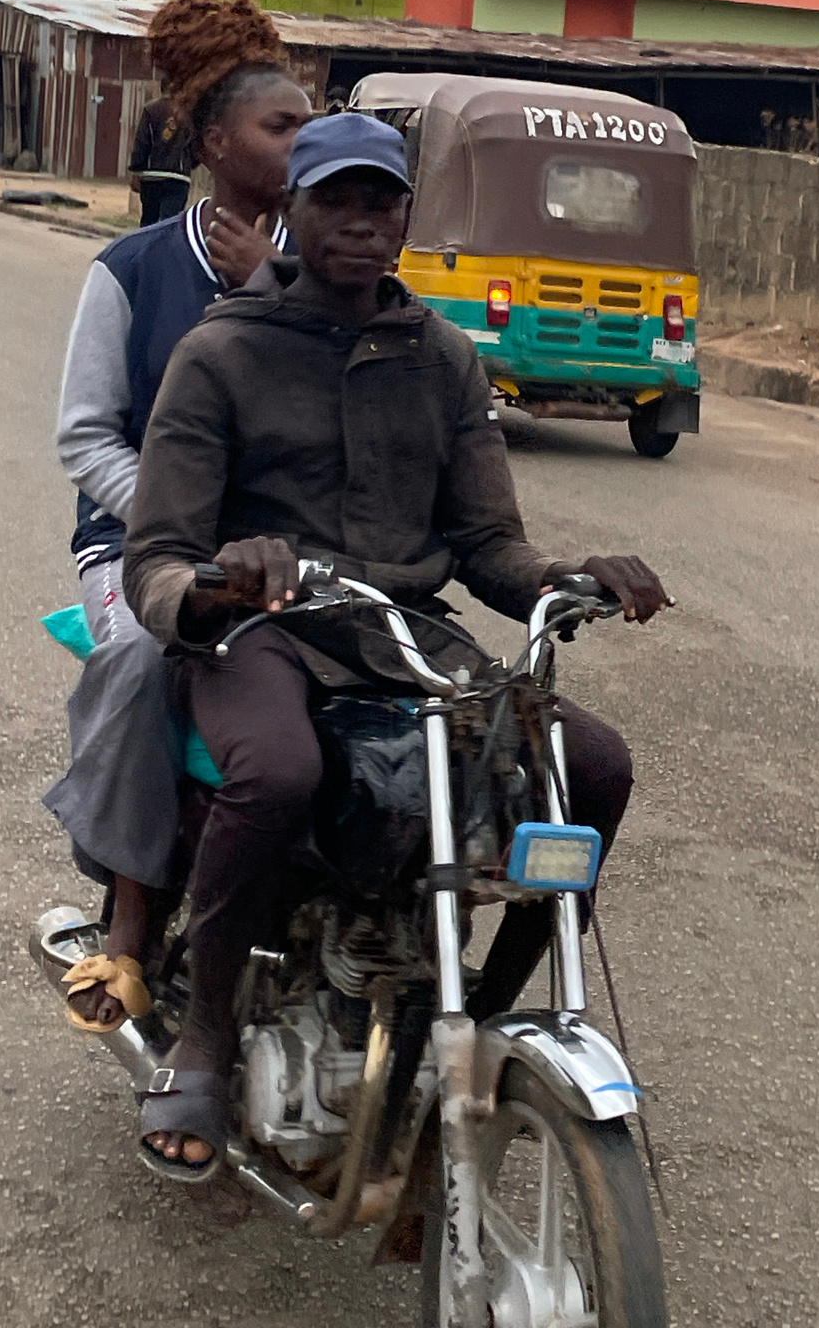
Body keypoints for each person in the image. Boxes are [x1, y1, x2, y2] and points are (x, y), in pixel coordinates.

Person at [123, 113, 671, 1177]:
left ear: (407, 215)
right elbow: (155, 559)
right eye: (337, 198)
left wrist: (567, 578)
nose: (363, 221)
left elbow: (488, 544)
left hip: (402, 633)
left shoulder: (444, 357)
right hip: (262, 632)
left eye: (383, 201)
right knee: (279, 769)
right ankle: (205, 1038)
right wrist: (220, 581)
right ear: (293, 208)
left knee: (592, 765)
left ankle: (480, 1021)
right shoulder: (221, 351)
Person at [48, 0, 312, 1030]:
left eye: (307, 125)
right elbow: (85, 439)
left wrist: (275, 289)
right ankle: (127, 920)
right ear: (214, 143)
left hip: (288, 552)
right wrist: (180, 527)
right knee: (142, 655)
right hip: (137, 547)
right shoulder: (131, 271)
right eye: (279, 125)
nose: (300, 143)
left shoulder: (327, 270)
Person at [128, 82, 196, 226]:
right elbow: (196, 145)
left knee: (149, 223)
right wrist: (188, 163)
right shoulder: (189, 112)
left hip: (151, 177)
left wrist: (136, 170)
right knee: (170, 224)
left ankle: (149, 241)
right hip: (178, 178)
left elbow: (142, 142)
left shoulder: (150, 109)